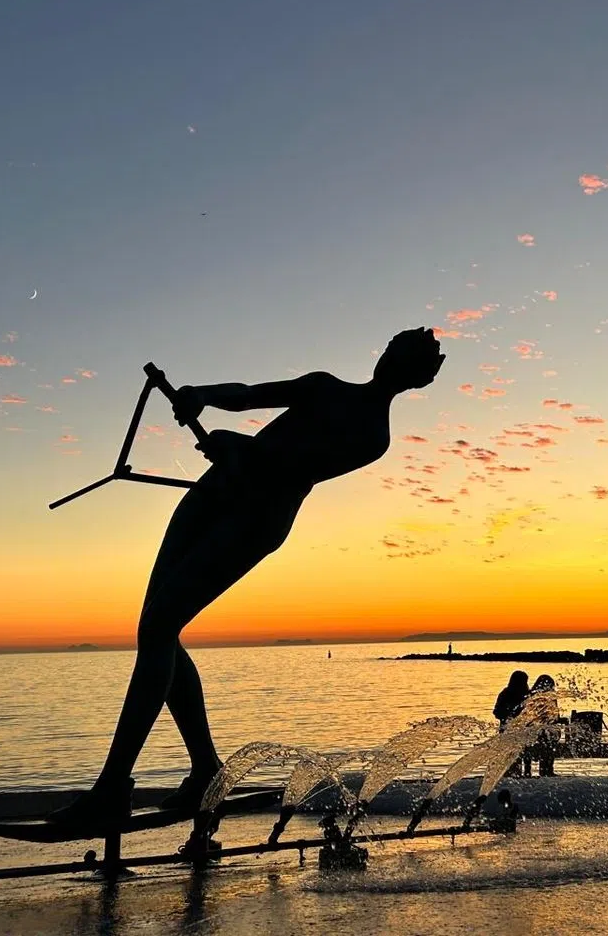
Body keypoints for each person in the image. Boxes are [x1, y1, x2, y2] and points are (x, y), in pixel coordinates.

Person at [46, 328, 446, 831]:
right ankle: (203, 770)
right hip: (216, 492)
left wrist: (241, 451)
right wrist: (204, 397)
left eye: (405, 359)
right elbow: (251, 395)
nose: (391, 360)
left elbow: (294, 467)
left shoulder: (374, 436)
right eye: (393, 349)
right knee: (156, 627)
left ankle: (112, 789)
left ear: (415, 379)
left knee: (159, 628)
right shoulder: (324, 385)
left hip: (255, 519)